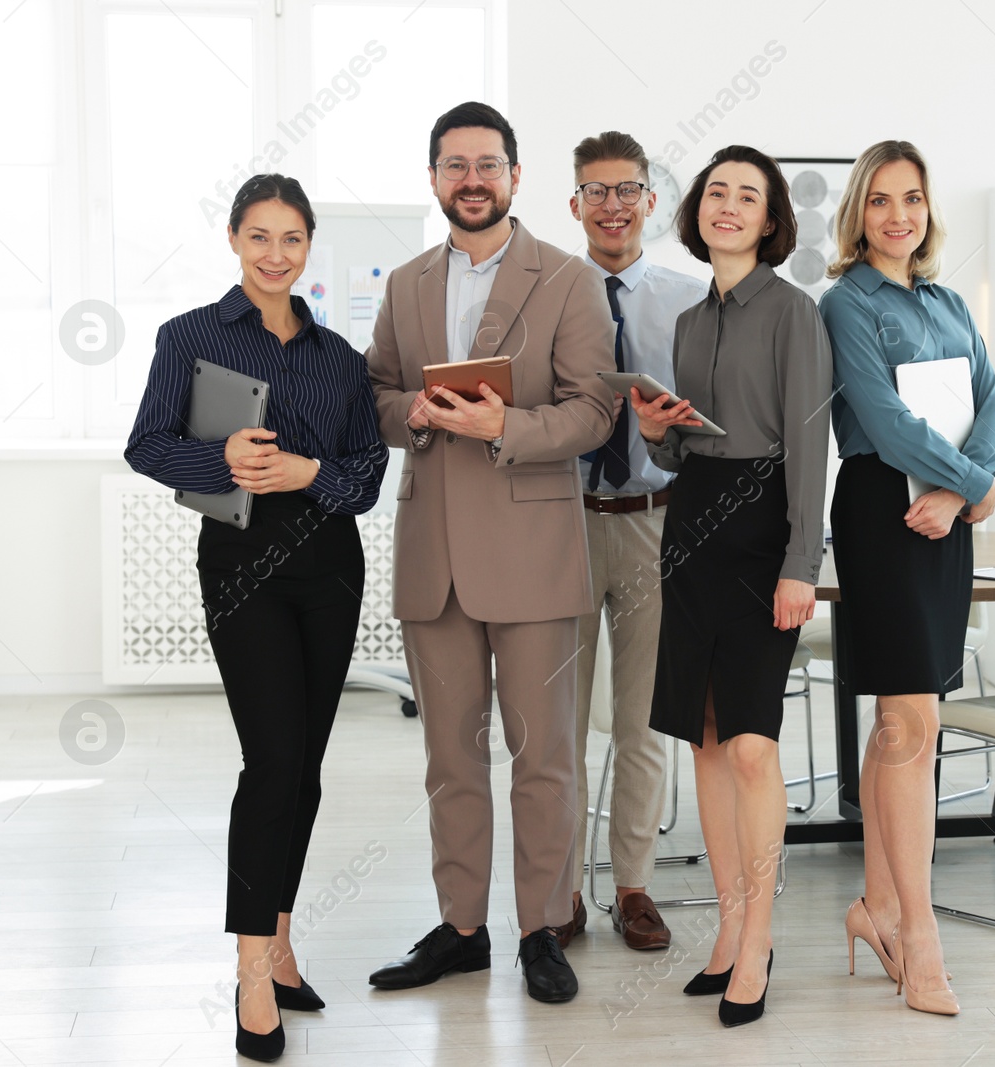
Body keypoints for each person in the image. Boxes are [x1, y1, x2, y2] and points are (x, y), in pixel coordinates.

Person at [125, 173, 388, 1062]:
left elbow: (367, 474)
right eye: (260, 237)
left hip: (327, 567)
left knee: (305, 765)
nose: (277, 255)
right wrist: (220, 454)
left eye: (292, 239)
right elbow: (146, 443)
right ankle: (247, 970)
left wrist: (314, 474)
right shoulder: (190, 337)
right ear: (234, 239)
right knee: (272, 759)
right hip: (241, 563)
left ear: (310, 246)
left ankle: (279, 942)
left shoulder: (340, 359)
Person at [363, 102, 616, 1005]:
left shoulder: (569, 280)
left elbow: (593, 411)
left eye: (488, 164)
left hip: (535, 556)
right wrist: (416, 414)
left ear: (515, 175)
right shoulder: (404, 284)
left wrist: (503, 423)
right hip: (434, 556)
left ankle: (543, 927)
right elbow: (379, 393)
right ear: (434, 178)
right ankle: (462, 928)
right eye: (454, 165)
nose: (472, 179)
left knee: (544, 756)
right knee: (450, 758)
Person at [631, 144, 832, 1027]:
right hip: (693, 523)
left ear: (770, 218)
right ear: (698, 211)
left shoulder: (795, 313)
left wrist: (801, 565)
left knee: (752, 743)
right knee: (706, 740)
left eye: (747, 196)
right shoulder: (686, 320)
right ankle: (726, 927)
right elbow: (678, 451)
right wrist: (654, 429)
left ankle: (759, 935)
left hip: (763, 530)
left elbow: (809, 447)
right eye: (716, 192)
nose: (728, 206)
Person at [818, 140, 995, 1017]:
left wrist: (965, 488)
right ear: (858, 210)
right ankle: (921, 931)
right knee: (914, 719)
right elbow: (883, 417)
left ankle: (880, 903)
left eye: (914, 199)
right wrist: (971, 486)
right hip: (883, 514)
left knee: (906, 716)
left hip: (942, 521)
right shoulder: (844, 303)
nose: (900, 215)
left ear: (929, 209)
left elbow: (992, 401)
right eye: (883, 199)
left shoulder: (949, 300)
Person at [556, 131, 707, 953]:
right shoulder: (546, 292)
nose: (612, 204)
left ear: (652, 200)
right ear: (573, 204)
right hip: (564, 524)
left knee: (644, 720)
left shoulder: (691, 299)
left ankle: (636, 886)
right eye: (596, 190)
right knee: (561, 722)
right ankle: (561, 888)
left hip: (657, 523)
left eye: (628, 189)